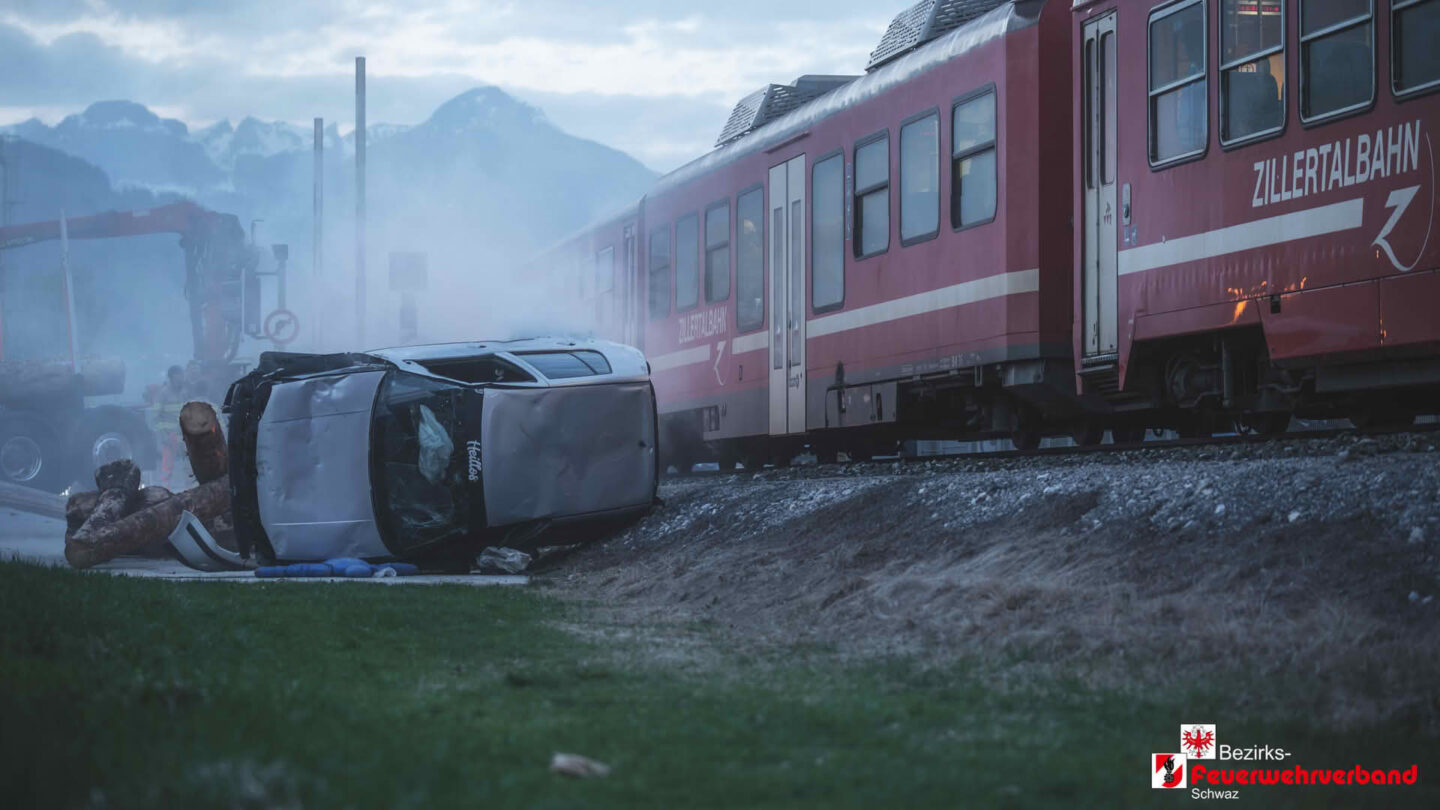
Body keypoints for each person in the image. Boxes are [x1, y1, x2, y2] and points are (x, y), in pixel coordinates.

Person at [145, 365, 190, 488]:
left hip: (183, 435)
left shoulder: (183, 393)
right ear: (171, 378)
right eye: (178, 378)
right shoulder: (163, 394)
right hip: (170, 436)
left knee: (188, 467)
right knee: (167, 468)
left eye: (182, 377)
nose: (180, 380)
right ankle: (165, 492)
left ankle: (188, 491)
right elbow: (154, 418)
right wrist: (164, 436)